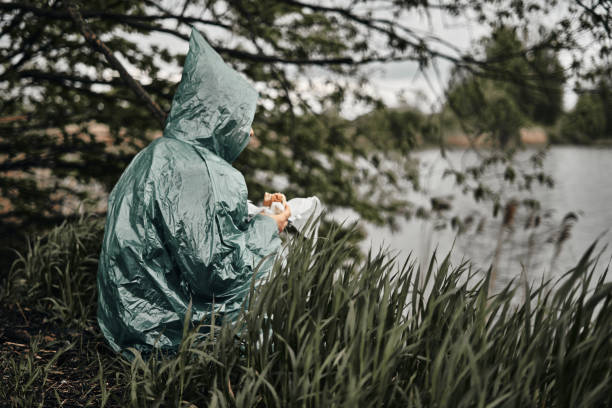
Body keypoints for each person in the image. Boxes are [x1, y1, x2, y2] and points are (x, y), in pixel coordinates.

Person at [97, 28, 290, 354]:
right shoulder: (207, 172)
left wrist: (249, 211)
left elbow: (185, 231)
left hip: (125, 321)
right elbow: (217, 273)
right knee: (268, 265)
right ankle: (259, 360)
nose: (250, 130)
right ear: (220, 118)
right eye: (243, 119)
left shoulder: (158, 152)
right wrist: (270, 226)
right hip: (161, 336)